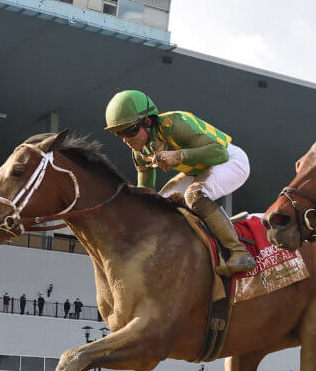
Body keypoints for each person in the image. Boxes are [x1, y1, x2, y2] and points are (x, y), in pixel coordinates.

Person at [104, 89, 256, 275]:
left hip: (230, 160)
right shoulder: (140, 152)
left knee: (194, 195)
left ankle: (239, 253)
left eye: (131, 131)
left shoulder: (175, 124)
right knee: (159, 205)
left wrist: (178, 155)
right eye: (119, 134)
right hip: (198, 170)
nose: (127, 139)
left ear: (148, 122)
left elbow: (219, 152)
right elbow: (147, 193)